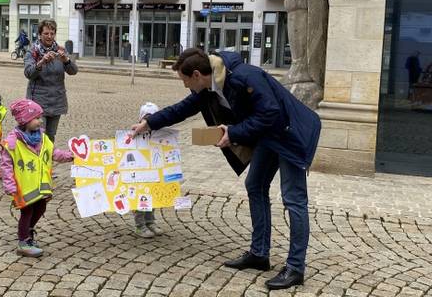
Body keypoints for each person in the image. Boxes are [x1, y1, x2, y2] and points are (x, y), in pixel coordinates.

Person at [129, 48, 321, 291]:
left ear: (197, 74)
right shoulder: (209, 87)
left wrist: (233, 133)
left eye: (185, 80)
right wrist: (149, 123)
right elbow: (183, 108)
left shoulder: (244, 76)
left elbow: (271, 112)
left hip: (290, 133)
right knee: (255, 185)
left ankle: (295, 268)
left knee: (294, 199)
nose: (185, 86)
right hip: (268, 135)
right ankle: (259, 254)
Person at [0, 99, 73, 257]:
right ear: (25, 120)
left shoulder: (43, 138)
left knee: (41, 208)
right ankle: (23, 242)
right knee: (27, 212)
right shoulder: (12, 143)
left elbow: (54, 153)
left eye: (40, 117)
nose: (40, 121)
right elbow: (6, 165)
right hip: (23, 186)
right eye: (37, 118)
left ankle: (29, 231)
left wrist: (70, 156)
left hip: (40, 184)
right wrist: (10, 185)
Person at [23, 19, 78, 142]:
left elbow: (73, 71)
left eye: (52, 33)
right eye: (46, 33)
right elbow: (28, 73)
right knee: (38, 136)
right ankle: (37, 160)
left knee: (51, 136)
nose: (49, 36)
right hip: (38, 102)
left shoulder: (60, 50)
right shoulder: (33, 51)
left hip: (57, 100)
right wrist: (41, 62)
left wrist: (67, 60)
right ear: (40, 34)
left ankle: (48, 160)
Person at [131, 102, 164, 239]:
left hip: (153, 173)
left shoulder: (160, 135)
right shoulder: (134, 135)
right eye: (145, 118)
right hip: (138, 176)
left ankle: (150, 222)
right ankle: (140, 226)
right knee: (140, 202)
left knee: (152, 199)